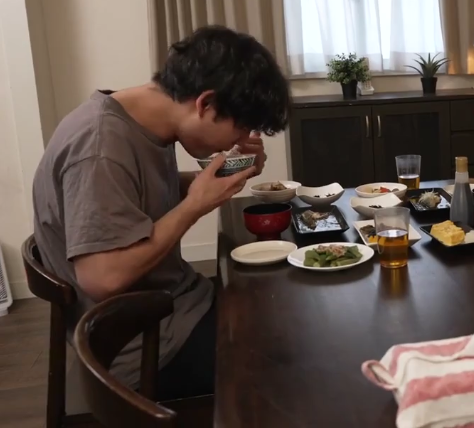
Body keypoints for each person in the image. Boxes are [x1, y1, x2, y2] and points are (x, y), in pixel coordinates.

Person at [32, 25, 291, 400]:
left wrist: (225, 174)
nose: (240, 139)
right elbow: (103, 277)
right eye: (241, 128)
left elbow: (139, 194)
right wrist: (195, 206)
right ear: (205, 104)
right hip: (142, 344)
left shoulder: (144, 120)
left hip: (175, 305)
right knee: (295, 355)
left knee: (281, 306)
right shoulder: (100, 146)